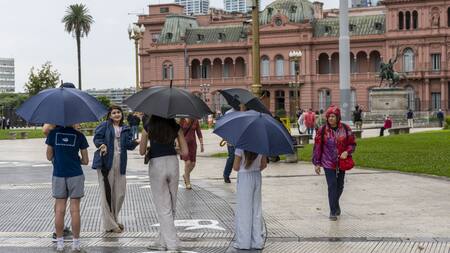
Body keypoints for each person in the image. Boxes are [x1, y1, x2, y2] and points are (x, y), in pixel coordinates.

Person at [139, 115, 188, 251]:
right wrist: (173, 148)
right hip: (173, 162)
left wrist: (151, 146)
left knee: (163, 207)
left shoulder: (148, 126)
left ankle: (173, 245)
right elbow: (185, 152)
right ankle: (161, 242)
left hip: (157, 164)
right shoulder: (175, 126)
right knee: (171, 204)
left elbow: (142, 151)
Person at [93, 105, 139, 233]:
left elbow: (128, 145)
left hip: (121, 162)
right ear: (110, 115)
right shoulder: (104, 126)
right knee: (107, 193)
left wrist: (136, 142)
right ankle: (110, 224)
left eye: (118, 112)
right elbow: (97, 138)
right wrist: (102, 145)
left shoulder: (125, 128)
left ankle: (114, 219)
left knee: (120, 193)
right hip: (106, 162)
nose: (117, 114)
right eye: (114, 113)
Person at [45, 124, 89, 252]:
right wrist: (76, 159)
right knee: (75, 210)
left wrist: (58, 158)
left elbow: (48, 156)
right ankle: (76, 244)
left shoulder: (53, 134)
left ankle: (59, 244)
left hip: (58, 174)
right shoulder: (79, 136)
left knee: (59, 210)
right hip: (76, 174)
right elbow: (86, 161)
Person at [312, 106, 356, 221]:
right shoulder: (322, 130)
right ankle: (332, 211)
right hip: (328, 162)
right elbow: (317, 147)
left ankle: (335, 203)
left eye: (333, 116)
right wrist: (317, 163)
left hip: (342, 161)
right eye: (329, 116)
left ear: (338, 117)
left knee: (340, 185)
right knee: (332, 186)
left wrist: (347, 151)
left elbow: (352, 144)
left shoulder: (346, 129)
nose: (331, 118)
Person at [233, 148, 267, 250]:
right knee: (256, 209)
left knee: (244, 210)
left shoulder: (240, 147)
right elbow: (264, 165)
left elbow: (235, 167)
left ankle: (243, 242)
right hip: (257, 175)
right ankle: (257, 241)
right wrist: (255, 168)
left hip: (244, 176)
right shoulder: (261, 145)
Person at [179, 118, 204, 189]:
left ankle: (185, 175)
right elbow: (177, 132)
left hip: (193, 145)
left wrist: (201, 144)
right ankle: (188, 182)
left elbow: (199, 133)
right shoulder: (182, 120)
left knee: (193, 164)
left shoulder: (195, 120)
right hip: (183, 145)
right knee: (188, 163)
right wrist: (178, 143)